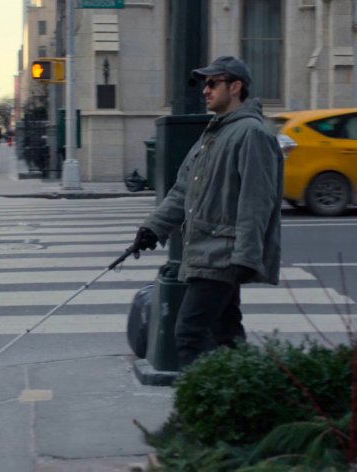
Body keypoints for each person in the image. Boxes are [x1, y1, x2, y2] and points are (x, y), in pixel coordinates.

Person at [132, 56, 284, 369]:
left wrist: (246, 256)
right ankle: (247, 403)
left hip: (223, 256)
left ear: (236, 87)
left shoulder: (251, 134)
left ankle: (201, 409)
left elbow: (257, 201)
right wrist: (152, 229)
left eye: (213, 83)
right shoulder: (213, 134)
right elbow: (183, 191)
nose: (205, 90)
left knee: (189, 334)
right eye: (205, 83)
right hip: (205, 253)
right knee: (227, 337)